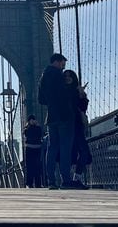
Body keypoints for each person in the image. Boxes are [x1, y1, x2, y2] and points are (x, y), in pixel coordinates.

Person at [38, 53, 77, 189]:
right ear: (58, 62)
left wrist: (51, 102)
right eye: (63, 63)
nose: (63, 66)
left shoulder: (43, 77)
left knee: (52, 148)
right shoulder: (59, 76)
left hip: (52, 117)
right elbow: (66, 95)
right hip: (65, 116)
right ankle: (66, 180)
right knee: (65, 148)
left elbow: (41, 100)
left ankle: (51, 181)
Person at [64, 69, 92, 189]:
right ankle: (68, 180)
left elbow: (83, 108)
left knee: (84, 152)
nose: (68, 78)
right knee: (70, 153)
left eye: (70, 76)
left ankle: (76, 178)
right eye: (65, 76)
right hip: (67, 126)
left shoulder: (77, 91)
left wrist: (82, 95)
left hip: (78, 126)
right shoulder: (62, 91)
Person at [23, 114, 43, 188]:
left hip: (34, 148)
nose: (33, 121)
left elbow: (39, 135)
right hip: (32, 148)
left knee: (36, 166)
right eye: (31, 120)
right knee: (31, 167)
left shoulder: (29, 129)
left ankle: (36, 183)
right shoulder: (28, 129)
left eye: (33, 119)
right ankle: (30, 183)